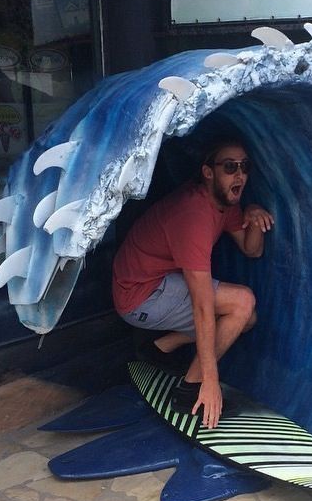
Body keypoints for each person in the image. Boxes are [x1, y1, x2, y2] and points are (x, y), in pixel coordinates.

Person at [112, 140, 274, 429]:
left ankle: (160, 347)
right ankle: (190, 391)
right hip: (139, 296)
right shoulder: (194, 215)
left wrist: (254, 215)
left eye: (244, 167)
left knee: (246, 317)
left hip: (159, 282)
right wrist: (211, 381)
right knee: (242, 302)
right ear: (208, 172)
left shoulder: (224, 202)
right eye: (229, 167)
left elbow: (252, 251)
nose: (239, 175)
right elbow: (202, 305)